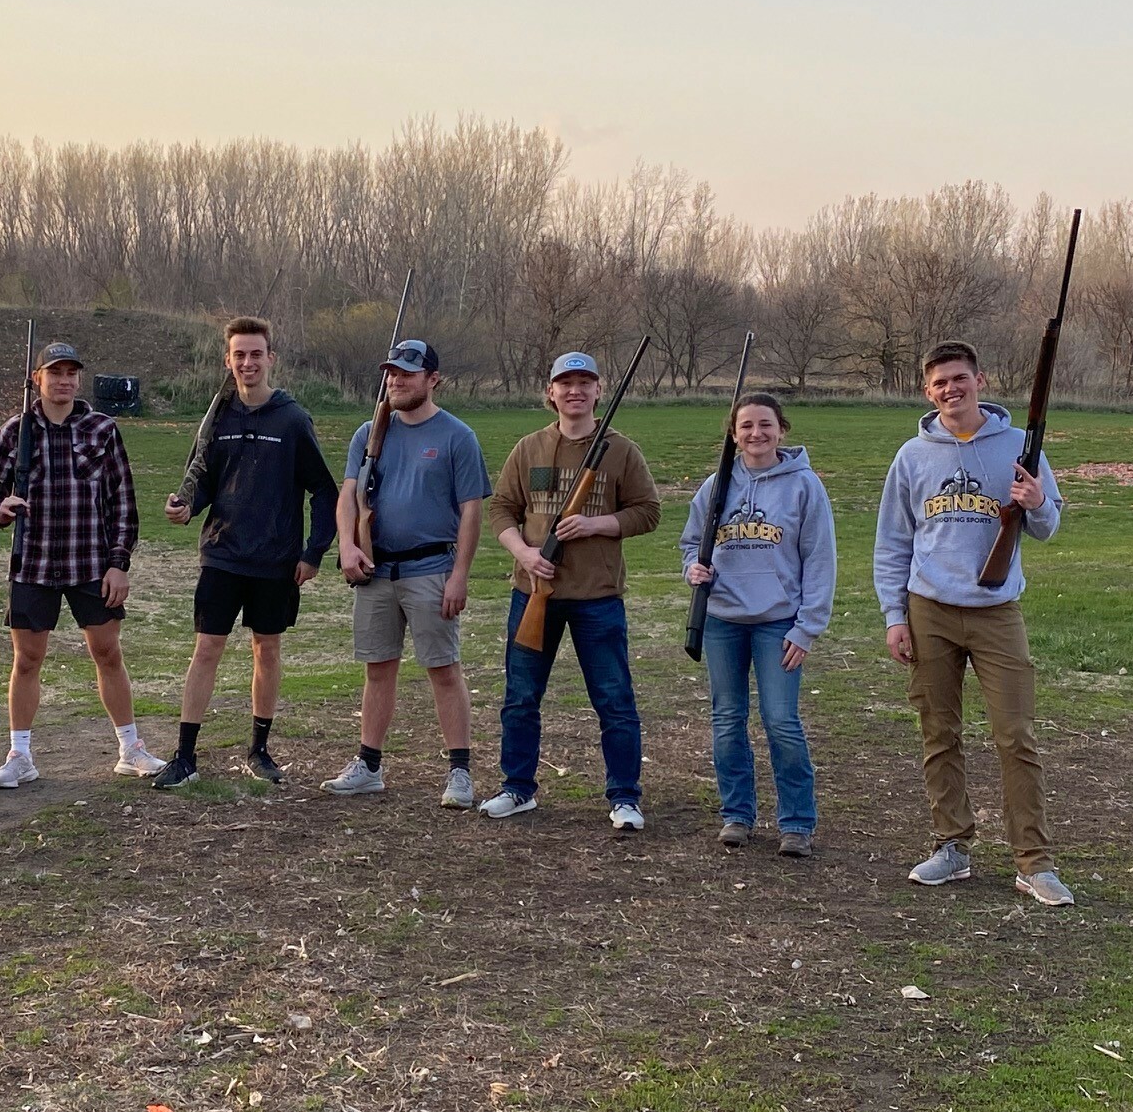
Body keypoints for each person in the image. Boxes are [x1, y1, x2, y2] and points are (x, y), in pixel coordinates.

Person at [875, 340, 1071, 905]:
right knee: (939, 734)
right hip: (929, 610)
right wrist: (895, 616)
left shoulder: (1019, 446)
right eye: (940, 383)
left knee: (1016, 736)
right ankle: (951, 846)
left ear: (980, 381)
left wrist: (1036, 501)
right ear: (927, 391)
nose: (950, 389)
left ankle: (1034, 862)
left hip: (996, 612)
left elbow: (1048, 527)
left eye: (959, 378)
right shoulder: (912, 455)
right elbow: (892, 542)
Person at [155, 314, 338, 788]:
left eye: (256, 353)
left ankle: (259, 750)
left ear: (271, 358)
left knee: (267, 649)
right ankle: (185, 756)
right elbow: (204, 480)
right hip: (222, 554)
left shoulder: (292, 420)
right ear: (228, 360)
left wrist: (313, 553)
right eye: (239, 354)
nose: (248, 362)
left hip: (275, 559)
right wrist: (185, 506)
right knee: (206, 649)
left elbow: (324, 490)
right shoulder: (218, 417)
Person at [480, 350, 660, 824]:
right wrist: (525, 554)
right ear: (551, 392)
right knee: (521, 699)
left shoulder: (621, 450)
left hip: (597, 599)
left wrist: (597, 524)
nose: (575, 391)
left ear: (599, 391)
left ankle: (624, 797)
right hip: (532, 593)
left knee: (615, 701)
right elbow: (501, 509)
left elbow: (648, 512)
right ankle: (517, 788)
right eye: (566, 383)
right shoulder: (529, 448)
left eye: (585, 382)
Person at [0, 342, 164, 786]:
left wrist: (119, 563)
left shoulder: (102, 429)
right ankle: (20, 756)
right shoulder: (16, 431)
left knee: (108, 653)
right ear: (37, 378)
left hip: (91, 562)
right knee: (27, 660)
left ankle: (130, 749)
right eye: (54, 372)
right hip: (33, 563)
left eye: (70, 373)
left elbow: (122, 500)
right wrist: (0, 509)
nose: (63, 380)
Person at [324, 338, 489, 805]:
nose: (396, 381)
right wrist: (348, 545)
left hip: (431, 569)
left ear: (433, 380)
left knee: (443, 669)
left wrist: (460, 575)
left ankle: (460, 772)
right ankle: (369, 765)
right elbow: (348, 495)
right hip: (376, 571)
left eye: (407, 374)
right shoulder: (368, 434)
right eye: (392, 373)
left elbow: (471, 511)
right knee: (378, 669)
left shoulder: (457, 436)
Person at [678, 393, 836, 856]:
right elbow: (690, 543)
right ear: (734, 434)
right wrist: (693, 569)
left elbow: (820, 560)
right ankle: (737, 814)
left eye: (765, 424)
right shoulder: (716, 486)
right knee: (727, 720)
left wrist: (806, 627)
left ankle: (797, 823)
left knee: (781, 720)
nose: (756, 433)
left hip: (778, 623)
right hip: (722, 620)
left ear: (781, 429)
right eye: (745, 426)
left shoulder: (804, 486)